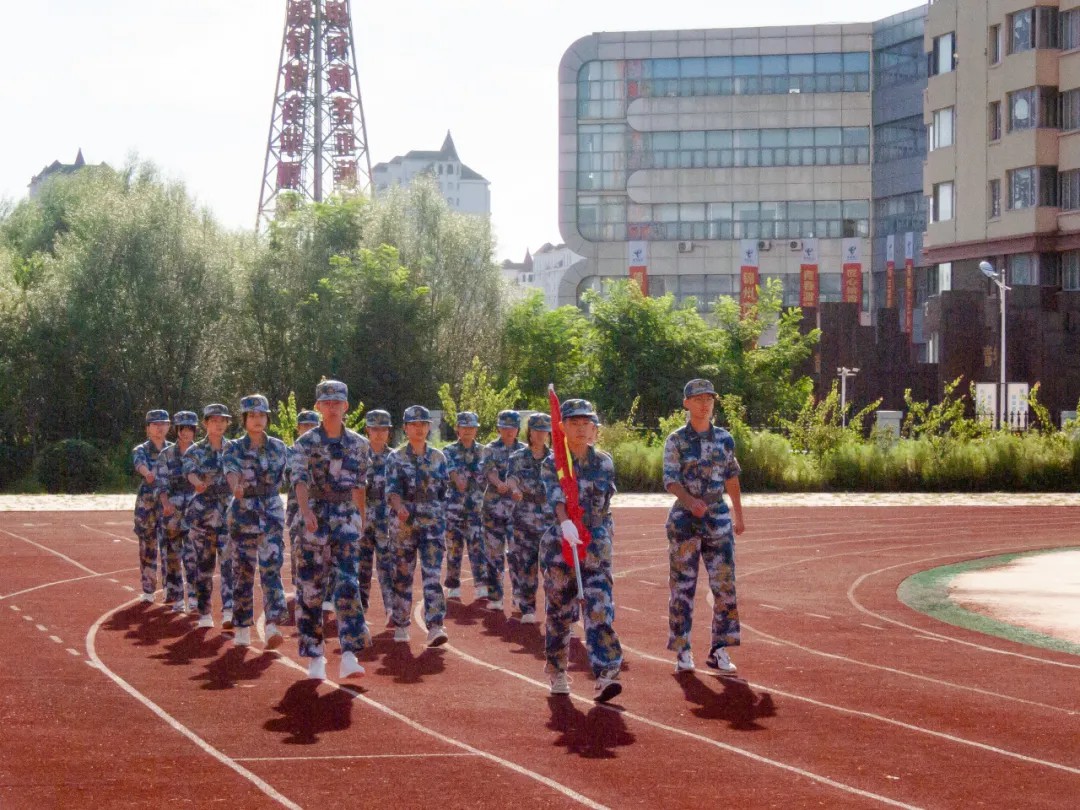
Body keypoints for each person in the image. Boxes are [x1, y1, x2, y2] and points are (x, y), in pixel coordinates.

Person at [541, 399, 623, 703]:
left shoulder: (603, 462)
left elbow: (603, 507)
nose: (579, 429)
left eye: (585, 423)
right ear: (562, 428)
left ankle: (606, 672)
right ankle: (558, 670)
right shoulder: (554, 463)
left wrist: (598, 537)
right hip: (560, 546)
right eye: (573, 423)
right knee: (560, 614)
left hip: (595, 547)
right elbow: (556, 497)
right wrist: (565, 524)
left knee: (599, 606)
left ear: (594, 428)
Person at [663, 378, 746, 674]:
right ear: (686, 403)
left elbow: (731, 477)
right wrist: (689, 501)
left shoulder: (724, 439)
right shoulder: (676, 440)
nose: (704, 403)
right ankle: (683, 650)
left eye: (709, 398)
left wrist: (738, 514)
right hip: (685, 521)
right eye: (698, 399)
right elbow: (670, 480)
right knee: (682, 589)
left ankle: (720, 649)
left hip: (718, 518)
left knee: (725, 585)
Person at [291, 379, 371, 680]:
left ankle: (349, 654)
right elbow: (298, 480)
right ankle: (314, 657)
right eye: (327, 402)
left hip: (346, 520)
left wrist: (360, 518)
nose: (332, 407)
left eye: (337, 402)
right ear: (318, 407)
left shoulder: (359, 445)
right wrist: (306, 510)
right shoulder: (305, 443)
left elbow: (360, 486)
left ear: (346, 406)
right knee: (311, 589)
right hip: (315, 519)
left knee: (348, 585)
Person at [223, 395, 289, 649]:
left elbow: (295, 471)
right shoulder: (234, 448)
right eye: (252, 416)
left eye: (262, 415)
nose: (258, 420)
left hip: (271, 513)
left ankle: (272, 624)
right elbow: (231, 471)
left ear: (267, 418)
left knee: (272, 569)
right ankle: (242, 626)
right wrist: (235, 487)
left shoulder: (279, 448)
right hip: (244, 516)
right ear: (244, 419)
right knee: (243, 572)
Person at [386, 406, 450, 646]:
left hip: (432, 524)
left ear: (429, 427)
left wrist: (442, 516)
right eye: (413, 424)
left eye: (423, 424)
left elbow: (445, 491)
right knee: (402, 575)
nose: (419, 428)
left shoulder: (438, 457)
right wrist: (399, 506)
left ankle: (435, 625)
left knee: (432, 576)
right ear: (405, 428)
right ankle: (401, 624)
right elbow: (391, 489)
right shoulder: (396, 457)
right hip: (404, 524)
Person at [184, 404, 236, 628]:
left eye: (223, 420)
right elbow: (189, 471)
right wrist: (198, 484)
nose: (219, 424)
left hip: (229, 513)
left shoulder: (234, 449)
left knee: (229, 564)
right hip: (204, 514)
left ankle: (229, 610)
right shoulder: (195, 450)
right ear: (205, 423)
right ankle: (205, 613)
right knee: (204, 566)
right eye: (214, 420)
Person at [506, 413, 553, 624]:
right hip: (524, 517)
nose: (541, 434)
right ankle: (527, 608)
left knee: (552, 566)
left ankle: (555, 610)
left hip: (549, 518)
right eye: (537, 430)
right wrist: (514, 489)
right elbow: (512, 478)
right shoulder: (517, 457)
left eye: (545, 430)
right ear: (529, 432)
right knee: (526, 564)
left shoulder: (555, 458)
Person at [154, 410, 200, 612]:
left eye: (190, 429)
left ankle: (195, 597)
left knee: (193, 557)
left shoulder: (200, 453)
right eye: (183, 429)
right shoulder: (166, 455)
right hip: (172, 512)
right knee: (172, 557)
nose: (186, 433)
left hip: (195, 511)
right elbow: (161, 484)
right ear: (177, 430)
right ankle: (178, 597)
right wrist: (165, 504)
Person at [442, 411, 489, 601]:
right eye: (464, 427)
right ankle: (453, 585)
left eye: (472, 427)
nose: (468, 431)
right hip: (454, 508)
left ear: (476, 429)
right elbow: (451, 472)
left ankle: (481, 585)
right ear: (457, 429)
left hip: (477, 508)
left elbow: (486, 474)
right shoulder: (448, 451)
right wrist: (457, 478)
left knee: (478, 547)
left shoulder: (484, 451)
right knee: (454, 548)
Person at [481, 410, 525, 612]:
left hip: (517, 511)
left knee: (517, 554)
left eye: (512, 427)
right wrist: (499, 483)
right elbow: (489, 470)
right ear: (499, 428)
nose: (509, 431)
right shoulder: (490, 448)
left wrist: (516, 488)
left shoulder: (524, 450)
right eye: (505, 427)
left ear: (518, 429)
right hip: (494, 509)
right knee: (493, 554)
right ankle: (495, 596)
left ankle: (518, 597)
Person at [132, 410, 172, 603]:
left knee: (170, 547)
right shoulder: (141, 449)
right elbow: (139, 464)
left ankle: (170, 589)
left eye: (163, 424)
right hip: (147, 504)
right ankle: (148, 590)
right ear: (148, 428)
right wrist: (148, 474)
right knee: (147, 547)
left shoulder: (173, 449)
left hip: (168, 503)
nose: (159, 428)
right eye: (155, 424)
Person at [360, 409, 395, 624]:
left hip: (386, 520)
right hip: (362, 518)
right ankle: (360, 611)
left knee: (387, 567)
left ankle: (391, 610)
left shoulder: (395, 458)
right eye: (375, 429)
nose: (379, 433)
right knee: (360, 568)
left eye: (383, 429)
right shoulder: (358, 455)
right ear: (367, 430)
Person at [285, 409, 321, 603]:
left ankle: (324, 591)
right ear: (298, 428)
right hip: (296, 507)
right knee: (298, 548)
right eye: (304, 425)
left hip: (321, 506)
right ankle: (299, 585)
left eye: (312, 426)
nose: (308, 429)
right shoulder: (290, 452)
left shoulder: (325, 450)